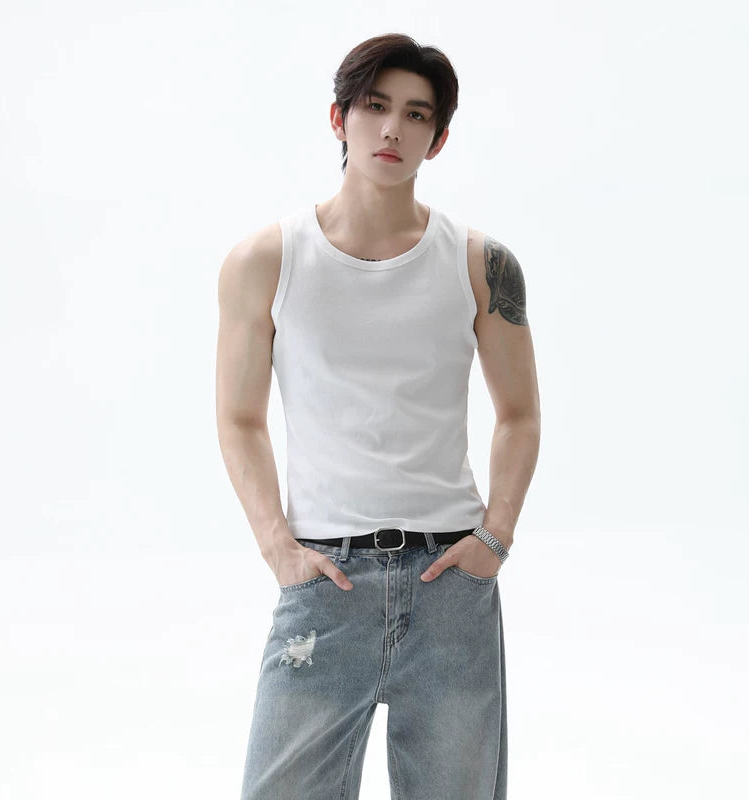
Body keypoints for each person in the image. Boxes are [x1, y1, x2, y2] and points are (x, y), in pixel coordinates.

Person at [216, 32, 540, 800]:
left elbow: (520, 414)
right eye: (375, 106)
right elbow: (239, 417)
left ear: (439, 137)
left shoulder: (480, 263)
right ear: (340, 118)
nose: (393, 128)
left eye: (416, 114)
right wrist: (278, 548)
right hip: (326, 581)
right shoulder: (266, 260)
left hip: (448, 581)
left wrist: (494, 538)